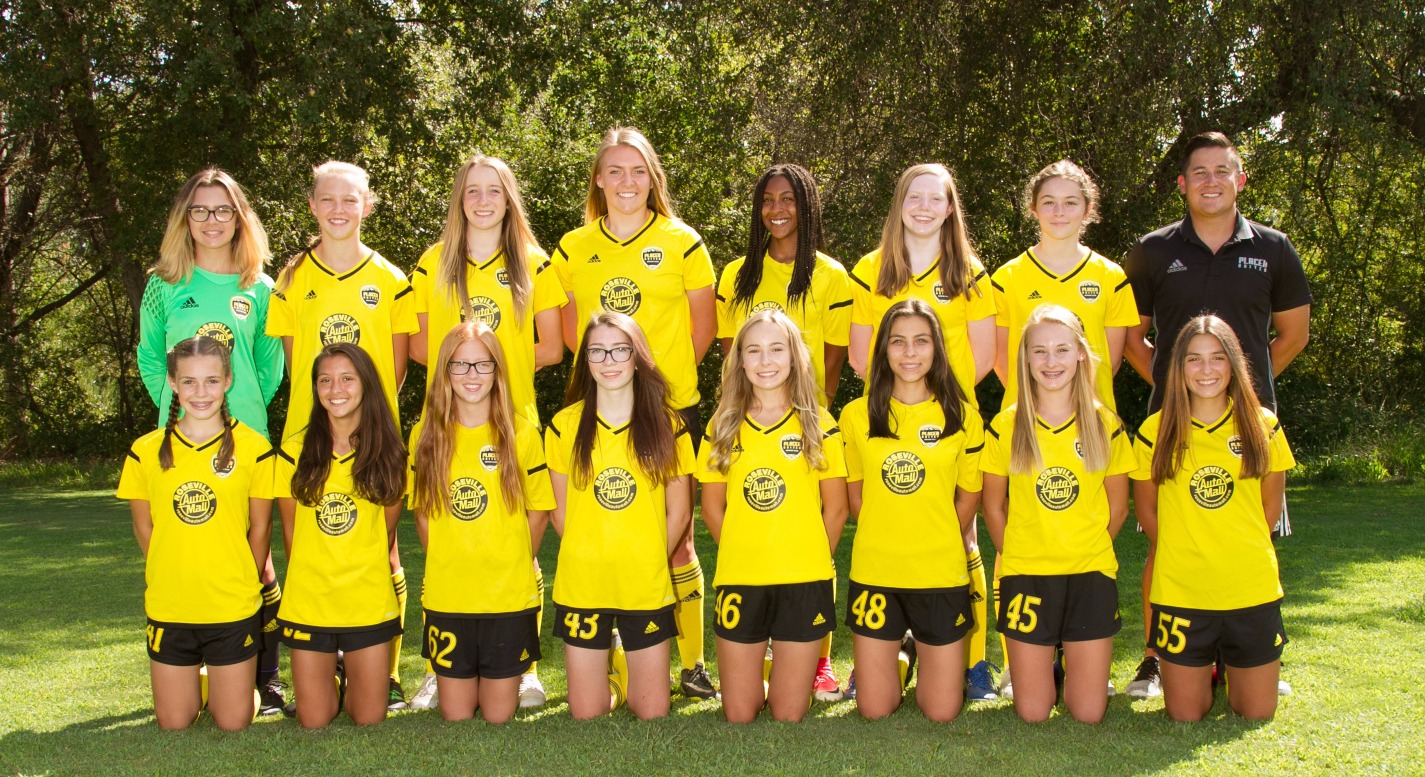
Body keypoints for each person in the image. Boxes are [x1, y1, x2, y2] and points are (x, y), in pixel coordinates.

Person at [1123, 132, 1311, 698]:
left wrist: (1236, 394)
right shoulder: (1152, 250)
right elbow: (1132, 340)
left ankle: (1246, 655)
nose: (1211, 181)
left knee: (1253, 534)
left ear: (1240, 180)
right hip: (1174, 428)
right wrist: (1185, 391)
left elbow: (1293, 335)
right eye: (1199, 172)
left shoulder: (1274, 248)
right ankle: (1157, 657)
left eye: (1222, 171)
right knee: (1165, 543)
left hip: (1249, 430)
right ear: (1182, 183)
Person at [550, 127, 717, 700]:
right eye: (615, 170)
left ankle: (692, 664)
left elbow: (703, 329)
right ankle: (615, 654)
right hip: (600, 405)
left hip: (667, 408)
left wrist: (651, 388)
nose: (627, 181)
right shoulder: (572, 247)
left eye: (638, 170)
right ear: (598, 178)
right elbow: (572, 331)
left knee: (677, 538)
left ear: (653, 178)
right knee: (604, 522)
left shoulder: (682, 241)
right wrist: (611, 378)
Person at [408, 154, 565, 710]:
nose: (481, 200)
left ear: (508, 200)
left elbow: (553, 346)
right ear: (459, 199)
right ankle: (439, 665)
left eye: (493, 191)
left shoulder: (535, 263)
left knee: (519, 545)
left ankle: (522, 669)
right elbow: (421, 347)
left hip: (512, 421)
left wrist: (501, 368)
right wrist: (465, 372)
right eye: (471, 190)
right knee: (449, 537)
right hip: (449, 420)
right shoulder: (432, 263)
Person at [136, 169, 289, 715]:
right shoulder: (164, 284)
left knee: (256, 558)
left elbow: (269, 368)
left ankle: (266, 677)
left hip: (242, 439)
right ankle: (190, 666)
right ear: (185, 219)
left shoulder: (261, 288)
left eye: (223, 210)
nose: (211, 220)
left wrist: (240, 409)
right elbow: (150, 356)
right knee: (185, 540)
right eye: (199, 210)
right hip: (179, 438)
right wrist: (177, 408)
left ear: (240, 218)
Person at [267, 161, 419, 710]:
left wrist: (366, 424)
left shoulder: (392, 280)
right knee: (310, 545)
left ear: (367, 206)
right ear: (312, 206)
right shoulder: (291, 280)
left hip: (374, 439)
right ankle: (320, 657)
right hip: (308, 436)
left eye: (350, 199)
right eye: (327, 199)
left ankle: (384, 671)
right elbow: (296, 366)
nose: (338, 209)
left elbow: (395, 372)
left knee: (383, 547)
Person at [847, 163, 997, 700]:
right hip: (888, 418)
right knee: (887, 524)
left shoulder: (969, 272)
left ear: (950, 208)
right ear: (900, 203)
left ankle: (974, 663)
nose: (925, 207)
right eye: (915, 196)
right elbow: (861, 355)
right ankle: (885, 655)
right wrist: (901, 398)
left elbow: (983, 356)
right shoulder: (871, 268)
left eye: (937, 198)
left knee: (963, 535)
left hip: (948, 419)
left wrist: (938, 400)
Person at [988, 159, 1138, 699]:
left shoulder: (1110, 276)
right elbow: (1004, 360)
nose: (1059, 211)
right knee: (1022, 532)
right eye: (1048, 201)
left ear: (1088, 210)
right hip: (1027, 428)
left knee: (1082, 528)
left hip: (1089, 431)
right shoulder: (1007, 276)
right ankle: (1022, 662)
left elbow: (1110, 361)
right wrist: (1037, 406)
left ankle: (1083, 659)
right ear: (1033, 209)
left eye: (1071, 201)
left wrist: (1074, 407)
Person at [716, 163, 853, 700]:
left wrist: (809, 417)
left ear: (807, 206)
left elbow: (833, 362)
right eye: (768, 200)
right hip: (750, 420)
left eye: (789, 199)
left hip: (806, 426)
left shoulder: (831, 275)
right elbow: (732, 357)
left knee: (813, 538)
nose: (777, 209)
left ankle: (817, 659)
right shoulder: (736, 275)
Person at [1130, 315, 1294, 721]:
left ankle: (1232, 667)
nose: (1206, 369)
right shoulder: (1155, 430)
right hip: (1182, 591)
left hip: (1249, 588)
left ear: (1234, 364)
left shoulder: (1262, 425)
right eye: (1194, 359)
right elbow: (1147, 511)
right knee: (1185, 714)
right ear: (1179, 367)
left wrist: (1236, 552)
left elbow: (1269, 509)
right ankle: (1207, 668)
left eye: (1218, 358)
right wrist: (1184, 551)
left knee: (1255, 712)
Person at [981, 305, 1135, 723]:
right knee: (1033, 712)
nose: (1051, 362)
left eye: (1062, 350)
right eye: (1040, 351)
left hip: (1089, 573)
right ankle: (1047, 662)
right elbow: (993, 505)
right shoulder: (1007, 425)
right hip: (1027, 573)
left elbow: (1119, 506)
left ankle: (1074, 659)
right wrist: (1015, 553)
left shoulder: (1105, 423)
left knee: (1088, 713)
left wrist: (1085, 547)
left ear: (1081, 353)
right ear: (1025, 358)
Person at [698, 310, 848, 723]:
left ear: (795, 356)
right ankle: (760, 669)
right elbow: (711, 508)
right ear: (740, 361)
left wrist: (812, 559)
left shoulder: (819, 422)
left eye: (777, 349)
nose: (766, 361)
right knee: (739, 713)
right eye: (754, 350)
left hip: (804, 579)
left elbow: (837, 508)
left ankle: (785, 670)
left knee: (788, 714)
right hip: (741, 578)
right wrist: (744, 552)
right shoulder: (723, 424)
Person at [117, 336, 274, 730]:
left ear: (228, 381)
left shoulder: (254, 448)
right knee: (174, 722)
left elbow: (260, 528)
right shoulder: (145, 450)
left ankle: (236, 688)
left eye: (211, 381)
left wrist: (245, 579)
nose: (200, 392)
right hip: (171, 604)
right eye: (189, 381)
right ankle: (204, 683)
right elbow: (143, 526)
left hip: (231, 604)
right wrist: (168, 570)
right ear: (173, 383)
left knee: (233, 721)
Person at [544, 311, 694, 720]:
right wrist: (589, 553)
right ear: (586, 360)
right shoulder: (563, 426)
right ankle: (612, 682)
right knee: (586, 713)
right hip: (583, 581)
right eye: (597, 351)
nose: (608, 361)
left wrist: (650, 559)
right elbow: (559, 513)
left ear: (637, 356)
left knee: (652, 712)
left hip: (643, 582)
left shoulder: (668, 425)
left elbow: (680, 511)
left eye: (620, 350)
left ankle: (627, 672)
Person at [839, 300, 982, 722]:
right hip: (876, 570)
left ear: (937, 348)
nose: (909, 352)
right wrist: (889, 534)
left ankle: (920, 650)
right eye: (898, 342)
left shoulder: (962, 417)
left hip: (939, 573)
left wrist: (935, 537)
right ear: (883, 349)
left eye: (921, 341)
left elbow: (968, 498)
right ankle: (902, 656)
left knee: (942, 711)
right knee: (874, 709)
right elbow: (856, 498)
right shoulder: (856, 415)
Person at [408, 323, 555, 723]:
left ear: (497, 370)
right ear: (445, 371)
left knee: (497, 715)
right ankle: (446, 679)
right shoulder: (425, 435)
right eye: (459, 364)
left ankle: (516, 676)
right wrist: (448, 558)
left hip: (506, 597)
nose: (471, 374)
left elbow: (538, 511)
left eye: (482, 364)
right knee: (456, 715)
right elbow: (422, 513)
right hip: (449, 595)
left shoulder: (522, 433)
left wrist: (514, 561)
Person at [273, 344, 406, 728]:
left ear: (366, 384)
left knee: (368, 717)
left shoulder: (391, 453)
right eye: (325, 380)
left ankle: (352, 668)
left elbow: (386, 529)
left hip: (366, 600)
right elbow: (291, 532)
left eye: (347, 378)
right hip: (311, 601)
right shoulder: (294, 451)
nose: (336, 389)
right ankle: (328, 672)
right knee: (313, 719)